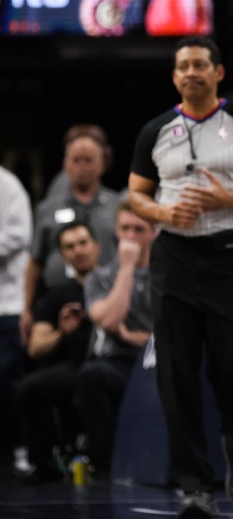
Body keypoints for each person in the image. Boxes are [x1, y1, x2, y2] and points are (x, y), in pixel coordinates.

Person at [128, 36, 233, 519]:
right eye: (183, 66)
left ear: (217, 72)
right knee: (176, 374)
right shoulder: (156, 130)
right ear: (174, 77)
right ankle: (193, 484)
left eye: (200, 64)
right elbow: (135, 195)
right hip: (174, 259)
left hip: (228, 257)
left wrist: (230, 201)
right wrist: (162, 212)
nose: (191, 72)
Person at [22, 127, 119, 348]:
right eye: (75, 160)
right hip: (56, 301)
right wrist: (26, 309)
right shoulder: (48, 208)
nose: (81, 167)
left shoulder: (117, 206)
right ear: (65, 165)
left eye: (88, 160)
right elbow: (34, 262)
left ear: (102, 164)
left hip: (108, 299)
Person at [17, 221, 99, 481]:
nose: (78, 250)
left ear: (97, 246)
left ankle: (106, 462)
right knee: (30, 387)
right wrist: (62, 333)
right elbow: (35, 348)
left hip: (112, 360)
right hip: (73, 366)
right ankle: (44, 464)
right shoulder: (58, 294)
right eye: (70, 246)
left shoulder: (113, 282)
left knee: (97, 378)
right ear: (62, 255)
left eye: (83, 243)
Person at [80, 200, 156, 478]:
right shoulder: (99, 277)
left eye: (139, 229)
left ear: (153, 232)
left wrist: (135, 337)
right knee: (92, 376)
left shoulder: (165, 276)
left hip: (153, 363)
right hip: (118, 363)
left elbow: (173, 331)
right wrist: (126, 268)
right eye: (125, 228)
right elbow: (109, 320)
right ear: (116, 230)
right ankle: (107, 467)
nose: (132, 236)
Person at [0, 166, 32, 472]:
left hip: (7, 303)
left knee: (7, 378)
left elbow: (19, 236)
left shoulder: (8, 185)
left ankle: (21, 447)